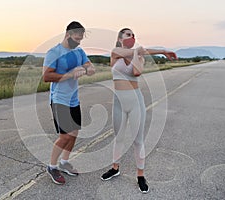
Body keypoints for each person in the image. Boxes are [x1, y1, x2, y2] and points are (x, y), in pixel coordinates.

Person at [100, 28, 177, 193]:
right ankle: (115, 168)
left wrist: (141, 53)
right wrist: (159, 51)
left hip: (135, 101)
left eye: (133, 35)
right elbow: (137, 50)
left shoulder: (139, 56)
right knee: (118, 137)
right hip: (118, 101)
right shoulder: (115, 52)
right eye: (128, 34)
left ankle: (140, 175)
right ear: (120, 38)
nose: (131, 36)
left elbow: (136, 72)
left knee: (138, 140)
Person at [43, 21, 95, 185]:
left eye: (80, 39)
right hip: (59, 100)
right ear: (68, 34)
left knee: (74, 133)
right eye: (76, 39)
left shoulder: (79, 51)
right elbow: (46, 76)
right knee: (65, 136)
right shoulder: (54, 52)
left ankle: (64, 162)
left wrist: (89, 69)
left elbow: (88, 65)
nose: (78, 42)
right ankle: (52, 166)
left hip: (74, 99)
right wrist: (69, 74)